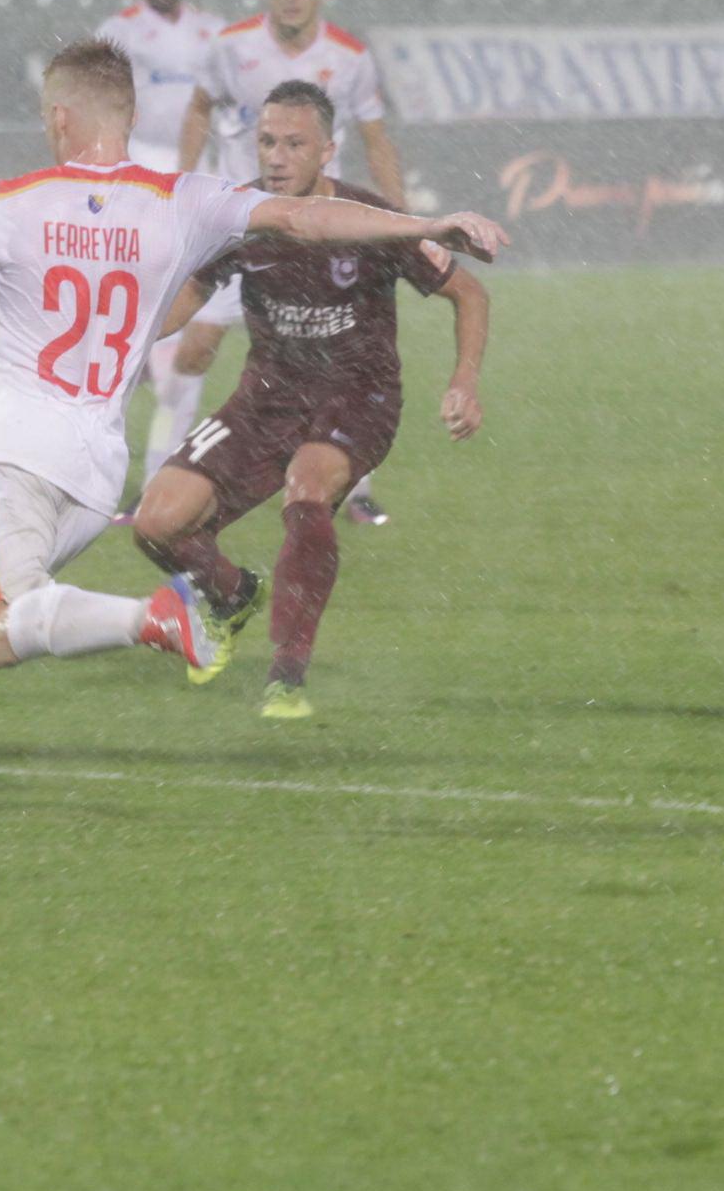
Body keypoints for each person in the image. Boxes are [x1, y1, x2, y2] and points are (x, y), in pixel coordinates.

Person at [0, 40, 506, 816]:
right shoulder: (185, 201)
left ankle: (155, 616)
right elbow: (306, 217)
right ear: (130, 115)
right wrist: (430, 222)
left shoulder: (10, 200)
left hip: (13, 451)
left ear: (60, 117)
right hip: (95, 471)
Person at [131, 80, 488, 718]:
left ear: (328, 149)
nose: (276, 156)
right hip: (267, 397)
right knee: (155, 522)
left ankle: (287, 672)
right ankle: (233, 593)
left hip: (357, 395)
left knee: (308, 485)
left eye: (294, 143)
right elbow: (189, 293)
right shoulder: (241, 216)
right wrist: (127, 345)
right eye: (267, 141)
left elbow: (470, 294)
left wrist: (463, 380)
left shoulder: (370, 220)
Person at [173, 0, 404, 525]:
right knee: (194, 348)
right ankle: (166, 470)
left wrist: (401, 224)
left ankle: (355, 488)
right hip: (244, 231)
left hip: (324, 232)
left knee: (342, 358)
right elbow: (199, 108)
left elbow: (377, 141)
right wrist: (182, 182)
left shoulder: (349, 56)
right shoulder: (231, 47)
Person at [93, 0, 229, 480]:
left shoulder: (214, 33)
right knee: (132, 336)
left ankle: (155, 477)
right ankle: (122, 470)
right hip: (138, 180)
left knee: (180, 356)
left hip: (196, 178)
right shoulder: (117, 33)